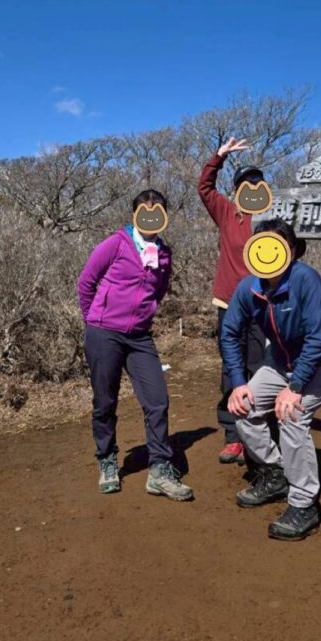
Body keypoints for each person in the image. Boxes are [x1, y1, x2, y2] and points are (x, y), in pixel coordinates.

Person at [222, 219, 321, 540]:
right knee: (243, 408)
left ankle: (305, 502)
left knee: (292, 416)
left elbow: (319, 338)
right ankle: (276, 472)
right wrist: (238, 383)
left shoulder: (306, 280)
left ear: (291, 251)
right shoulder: (248, 286)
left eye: (276, 246)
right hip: (279, 363)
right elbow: (229, 332)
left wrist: (295, 388)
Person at [77, 190, 194, 502]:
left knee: (157, 399)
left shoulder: (164, 252)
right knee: (105, 401)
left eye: (158, 211)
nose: (151, 217)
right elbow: (86, 281)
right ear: (135, 213)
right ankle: (107, 459)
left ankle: (158, 469)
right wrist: (93, 318)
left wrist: (145, 314)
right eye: (145, 210)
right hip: (104, 333)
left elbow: (160, 290)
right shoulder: (116, 243)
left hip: (140, 336)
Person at [198, 137, 268, 465]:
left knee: (259, 367)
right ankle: (232, 436)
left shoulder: (270, 217)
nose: (252, 187)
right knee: (231, 367)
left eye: (258, 182)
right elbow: (204, 188)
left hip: (262, 305)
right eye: (246, 183)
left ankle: (256, 432)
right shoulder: (227, 212)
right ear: (237, 188)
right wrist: (219, 156)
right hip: (229, 303)